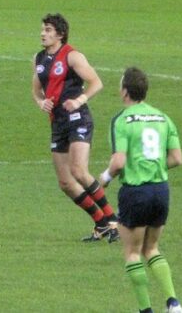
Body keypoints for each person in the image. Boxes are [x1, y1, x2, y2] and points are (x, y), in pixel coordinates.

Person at [100, 67, 182, 313]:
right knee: (152, 248)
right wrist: (156, 167)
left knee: (132, 252)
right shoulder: (162, 117)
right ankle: (173, 303)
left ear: (125, 91)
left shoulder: (123, 119)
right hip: (161, 191)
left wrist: (103, 179)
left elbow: (118, 163)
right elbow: (177, 158)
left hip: (135, 193)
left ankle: (146, 310)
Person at [32, 13, 117, 242]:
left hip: (78, 119)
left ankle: (112, 218)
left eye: (48, 29)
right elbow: (36, 91)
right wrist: (41, 102)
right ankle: (101, 224)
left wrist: (79, 100)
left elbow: (96, 82)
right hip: (57, 123)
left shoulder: (72, 56)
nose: (43, 33)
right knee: (66, 183)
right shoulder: (39, 59)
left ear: (60, 34)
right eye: (43, 29)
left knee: (79, 171)